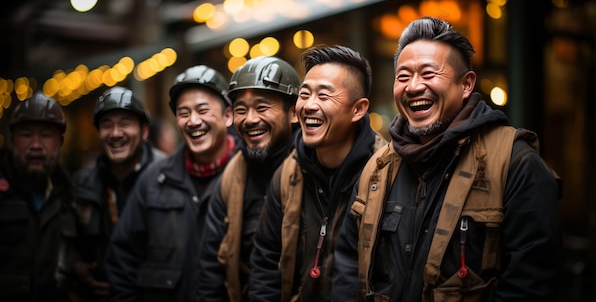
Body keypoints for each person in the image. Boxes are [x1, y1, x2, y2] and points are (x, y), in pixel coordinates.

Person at [332, 16, 563, 302]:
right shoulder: (378, 168)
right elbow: (348, 266)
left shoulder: (515, 162)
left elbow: (530, 283)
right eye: (403, 76)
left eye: (428, 74)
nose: (413, 87)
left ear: (466, 84)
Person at [248, 45, 387, 302]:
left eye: (324, 96)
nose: (309, 105)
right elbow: (265, 262)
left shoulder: (385, 175)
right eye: (305, 94)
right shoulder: (289, 172)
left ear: (358, 109)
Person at [105, 65, 238, 302]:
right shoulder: (154, 179)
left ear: (228, 116)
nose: (193, 121)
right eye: (183, 113)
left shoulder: (249, 174)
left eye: (203, 110)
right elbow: (122, 260)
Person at [196, 56, 301, 302]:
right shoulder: (231, 176)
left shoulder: (314, 169)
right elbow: (210, 270)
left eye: (262, 107)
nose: (250, 119)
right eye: (241, 110)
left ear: (294, 112)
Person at [71, 86, 168, 301]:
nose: (115, 133)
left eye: (125, 124)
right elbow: (70, 242)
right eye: (107, 125)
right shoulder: (83, 183)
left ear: (144, 131)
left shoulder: (168, 176)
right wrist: (76, 267)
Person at [0, 91, 75, 302]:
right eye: (26, 134)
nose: (35, 145)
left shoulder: (69, 196)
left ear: (60, 143)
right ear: (12, 140)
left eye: (45, 135)